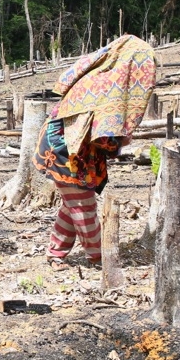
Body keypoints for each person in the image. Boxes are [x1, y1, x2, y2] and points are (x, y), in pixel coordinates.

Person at [33, 34, 156, 270]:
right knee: (83, 205)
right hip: (66, 149)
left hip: (69, 146)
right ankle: (98, 256)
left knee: (73, 203)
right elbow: (103, 136)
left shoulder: (101, 76)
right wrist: (120, 143)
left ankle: (55, 253)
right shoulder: (111, 86)